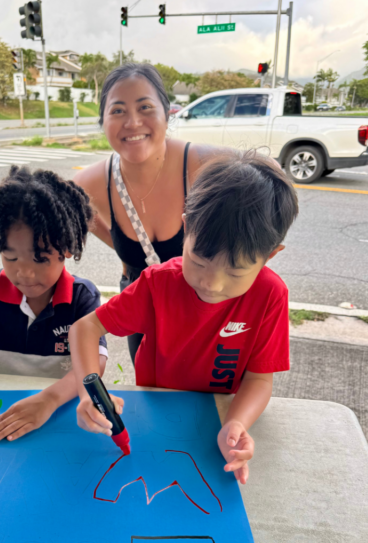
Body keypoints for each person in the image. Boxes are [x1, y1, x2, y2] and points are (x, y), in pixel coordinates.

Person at [69, 152, 299, 485]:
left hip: (221, 411)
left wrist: (236, 423)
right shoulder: (158, 283)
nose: (212, 283)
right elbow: (86, 327)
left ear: (270, 255)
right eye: (200, 261)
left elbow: (259, 380)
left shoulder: (270, 295)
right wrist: (87, 393)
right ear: (187, 227)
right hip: (155, 410)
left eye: (235, 272)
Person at [0, 166, 108, 442]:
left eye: (40, 259)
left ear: (67, 249)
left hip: (62, 410)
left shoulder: (81, 297)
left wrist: (49, 399)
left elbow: (95, 364)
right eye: (11, 257)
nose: (24, 273)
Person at [73, 63, 222, 367]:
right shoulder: (90, 183)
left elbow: (271, 178)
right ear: (102, 121)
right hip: (143, 318)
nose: (132, 122)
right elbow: (55, 210)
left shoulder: (202, 163)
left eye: (145, 107)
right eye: (117, 111)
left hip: (207, 314)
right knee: (150, 389)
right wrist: (121, 244)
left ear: (167, 113)